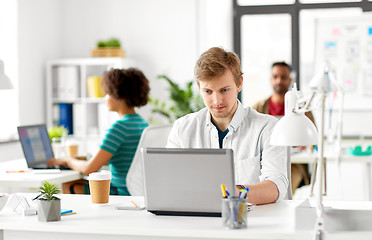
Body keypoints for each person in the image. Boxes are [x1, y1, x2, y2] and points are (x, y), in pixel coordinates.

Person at [167, 47, 288, 205]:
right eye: (208, 92)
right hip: (196, 221)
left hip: (249, 222)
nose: (217, 101)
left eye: (224, 90)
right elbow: (169, 183)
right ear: (199, 88)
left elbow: (275, 188)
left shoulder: (268, 127)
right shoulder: (182, 129)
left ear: (239, 84)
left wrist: (230, 192)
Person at [48, 68, 150, 195]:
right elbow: (119, 158)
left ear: (118, 95)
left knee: (69, 184)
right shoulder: (143, 124)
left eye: (108, 93)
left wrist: (69, 161)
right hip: (137, 191)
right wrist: (80, 158)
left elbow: (89, 169)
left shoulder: (119, 128)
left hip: (120, 191)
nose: (106, 98)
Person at [252, 61, 315, 194]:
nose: (279, 80)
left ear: (290, 79)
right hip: (266, 162)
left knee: (284, 188)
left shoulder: (303, 110)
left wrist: (304, 145)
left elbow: (313, 138)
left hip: (294, 164)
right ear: (271, 79)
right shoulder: (258, 108)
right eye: (275, 77)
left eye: (283, 77)